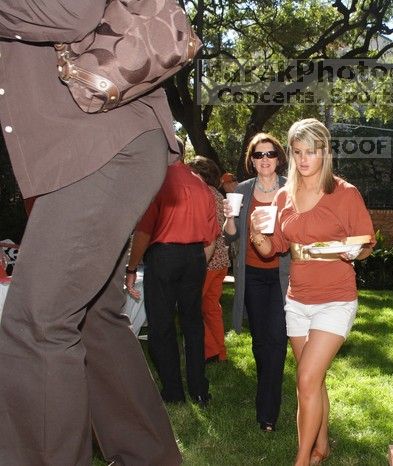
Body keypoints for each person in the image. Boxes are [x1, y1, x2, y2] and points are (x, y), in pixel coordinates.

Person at [0, 5, 182, 464]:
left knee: (36, 322)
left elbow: (71, 11)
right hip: (91, 152)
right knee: (94, 316)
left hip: (107, 145)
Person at [248, 118, 375, 466]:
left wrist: (348, 250)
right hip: (297, 299)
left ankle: (302, 460)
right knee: (313, 381)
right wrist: (258, 236)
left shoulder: (345, 193)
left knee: (305, 378)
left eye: (312, 152)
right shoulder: (284, 194)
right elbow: (274, 247)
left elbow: (366, 244)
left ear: (325, 153)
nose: (304, 160)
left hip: (335, 298)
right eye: (298, 151)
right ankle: (322, 445)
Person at [125, 156, 220, 408]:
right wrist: (199, 263)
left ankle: (174, 391)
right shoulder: (201, 183)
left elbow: (144, 231)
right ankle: (199, 389)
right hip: (195, 257)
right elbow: (211, 236)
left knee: (161, 325)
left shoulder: (159, 181)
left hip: (164, 256)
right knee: (193, 323)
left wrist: (132, 267)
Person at [222, 133, 290, 432]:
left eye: (270, 154)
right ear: (251, 160)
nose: (265, 160)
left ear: (278, 158)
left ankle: (267, 412)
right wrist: (229, 217)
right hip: (252, 274)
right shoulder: (242, 190)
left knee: (276, 340)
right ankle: (269, 385)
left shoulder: (292, 188)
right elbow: (231, 236)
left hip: (282, 274)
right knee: (261, 342)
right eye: (259, 155)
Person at [187, 156, 230, 363]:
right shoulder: (218, 194)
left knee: (190, 306)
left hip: (207, 260)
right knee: (212, 308)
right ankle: (220, 351)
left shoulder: (201, 193)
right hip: (222, 261)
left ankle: (210, 350)